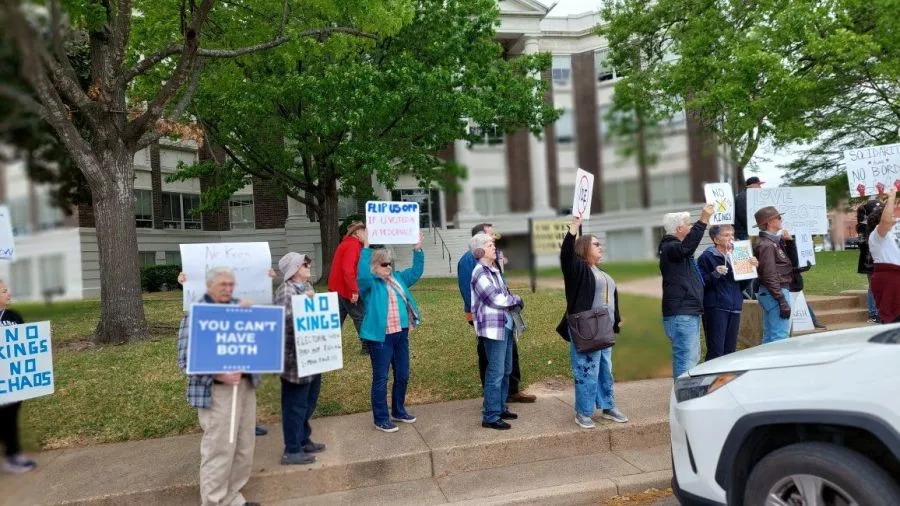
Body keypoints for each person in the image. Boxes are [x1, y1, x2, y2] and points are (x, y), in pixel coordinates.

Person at [176, 267, 260, 506]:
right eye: (222, 284)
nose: (227, 288)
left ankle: (232, 497)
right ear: (209, 286)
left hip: (245, 387)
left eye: (231, 284)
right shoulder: (196, 315)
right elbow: (184, 361)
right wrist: (218, 375)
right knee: (219, 450)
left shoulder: (240, 310)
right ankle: (213, 502)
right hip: (217, 392)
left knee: (244, 447)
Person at [557, 215, 628, 429]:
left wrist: (616, 319)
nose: (600, 246)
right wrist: (574, 228)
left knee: (605, 369)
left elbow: (610, 297)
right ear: (584, 248)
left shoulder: (601, 272)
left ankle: (608, 406)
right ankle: (583, 412)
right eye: (596, 243)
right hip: (586, 328)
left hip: (604, 329)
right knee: (586, 369)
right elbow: (566, 255)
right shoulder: (578, 270)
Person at [457, 223, 536, 404]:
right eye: (491, 237)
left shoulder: (492, 261)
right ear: (480, 241)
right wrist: (477, 314)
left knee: (507, 359)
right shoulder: (469, 261)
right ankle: (493, 401)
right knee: (491, 361)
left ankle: (508, 393)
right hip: (487, 318)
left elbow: (500, 287)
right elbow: (470, 292)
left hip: (503, 316)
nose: (495, 239)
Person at [357, 234, 424, 433]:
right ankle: (380, 418)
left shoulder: (398, 279)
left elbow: (416, 272)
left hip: (401, 334)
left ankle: (398, 409)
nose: (389, 267)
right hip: (381, 337)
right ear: (375, 267)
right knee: (381, 378)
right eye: (384, 264)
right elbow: (362, 275)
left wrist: (418, 249)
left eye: (389, 264)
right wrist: (366, 247)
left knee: (402, 374)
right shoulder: (369, 285)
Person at [274, 252, 326, 466]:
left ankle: (304, 439)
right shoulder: (286, 292)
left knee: (308, 401)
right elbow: (285, 323)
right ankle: (292, 449)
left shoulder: (305, 289)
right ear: (294, 269)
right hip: (294, 360)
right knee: (295, 405)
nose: (309, 267)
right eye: (305, 264)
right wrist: (306, 307)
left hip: (312, 356)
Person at [469, 232, 524, 430]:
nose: (495, 247)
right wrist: (516, 300)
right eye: (490, 244)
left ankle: (500, 408)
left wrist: (511, 298)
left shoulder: (493, 270)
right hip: (493, 329)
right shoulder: (479, 272)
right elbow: (495, 299)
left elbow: (503, 292)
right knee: (496, 372)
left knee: (506, 370)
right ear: (480, 250)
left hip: (505, 326)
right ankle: (490, 416)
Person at [659, 204, 714, 378]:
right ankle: (684, 399)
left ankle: (686, 396)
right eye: (689, 225)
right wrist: (703, 220)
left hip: (687, 311)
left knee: (692, 357)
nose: (691, 228)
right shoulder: (670, 247)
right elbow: (687, 247)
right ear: (679, 228)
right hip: (681, 312)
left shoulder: (677, 250)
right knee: (686, 359)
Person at [698, 225, 757, 360]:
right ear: (716, 240)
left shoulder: (737, 255)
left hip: (734, 305)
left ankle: (727, 379)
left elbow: (741, 285)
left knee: (730, 350)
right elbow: (701, 283)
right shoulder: (707, 257)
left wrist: (749, 269)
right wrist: (715, 273)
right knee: (716, 350)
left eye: (732, 235)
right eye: (726, 235)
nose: (731, 238)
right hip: (716, 307)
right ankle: (712, 379)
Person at [0, 280, 35, 474]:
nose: (9, 294)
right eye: (4, 291)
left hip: (12, 380)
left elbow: (26, 343)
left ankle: (13, 455)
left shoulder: (14, 316)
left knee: (11, 417)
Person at [752, 206, 795, 344]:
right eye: (778, 218)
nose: (781, 220)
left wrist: (789, 242)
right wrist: (781, 300)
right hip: (775, 292)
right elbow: (769, 274)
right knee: (779, 337)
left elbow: (794, 263)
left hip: (772, 292)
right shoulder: (767, 245)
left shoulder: (772, 242)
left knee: (771, 335)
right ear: (770, 222)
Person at [329, 221, 367, 352]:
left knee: (337, 319)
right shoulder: (353, 245)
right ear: (357, 233)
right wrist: (354, 290)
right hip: (346, 289)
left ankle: (329, 345)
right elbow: (348, 270)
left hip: (339, 288)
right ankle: (367, 345)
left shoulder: (347, 243)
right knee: (360, 316)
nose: (367, 234)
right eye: (364, 231)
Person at [868, 189, 900, 323]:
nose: (893, 214)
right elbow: (885, 222)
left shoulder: (893, 232)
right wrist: (892, 197)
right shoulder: (877, 236)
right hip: (890, 282)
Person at [857, 198, 884, 322]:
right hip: (869, 261)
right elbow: (862, 244)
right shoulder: (863, 226)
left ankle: (880, 312)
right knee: (873, 286)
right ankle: (873, 313)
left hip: (882, 260)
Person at [734, 176, 764, 241]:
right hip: (745, 232)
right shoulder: (743, 197)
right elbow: (744, 216)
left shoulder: (748, 195)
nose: (760, 187)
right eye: (758, 184)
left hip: (749, 231)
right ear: (751, 185)